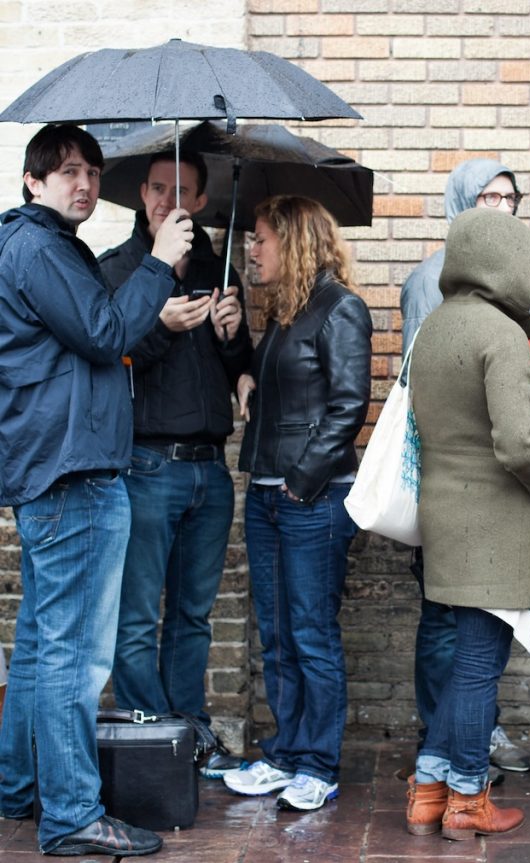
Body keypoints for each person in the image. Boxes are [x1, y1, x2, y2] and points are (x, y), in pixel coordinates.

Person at [0, 124, 192, 856]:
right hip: (72, 472)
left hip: (59, 464)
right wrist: (159, 261)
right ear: (32, 181)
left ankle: (20, 788)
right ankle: (74, 813)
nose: (82, 183)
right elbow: (103, 327)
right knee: (73, 655)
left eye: (91, 171)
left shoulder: (40, 247)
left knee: (43, 647)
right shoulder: (39, 248)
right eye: (66, 172)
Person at [404, 207, 530, 841]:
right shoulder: (499, 333)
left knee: (460, 663)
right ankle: (468, 801)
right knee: (476, 668)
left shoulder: (435, 327)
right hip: (494, 527)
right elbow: (521, 444)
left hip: (442, 518)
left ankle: (428, 791)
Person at [99, 151, 252, 779]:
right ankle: (148, 739)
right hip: (146, 465)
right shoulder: (119, 270)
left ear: (200, 199)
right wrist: (157, 325)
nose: (168, 201)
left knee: (193, 615)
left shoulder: (221, 270)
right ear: (142, 193)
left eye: (181, 191)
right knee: (136, 617)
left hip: (210, 471)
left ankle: (188, 733)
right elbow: (105, 356)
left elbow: (236, 362)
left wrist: (235, 339)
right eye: (159, 189)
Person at [222, 196, 371, 812]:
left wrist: (301, 481)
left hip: (311, 497)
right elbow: (280, 392)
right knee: (278, 634)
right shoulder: (285, 312)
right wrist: (243, 363)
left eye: (260, 240)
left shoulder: (341, 309)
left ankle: (318, 763)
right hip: (267, 495)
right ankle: (285, 754)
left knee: (311, 633)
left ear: (293, 240)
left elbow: (349, 405)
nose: (251, 251)